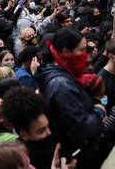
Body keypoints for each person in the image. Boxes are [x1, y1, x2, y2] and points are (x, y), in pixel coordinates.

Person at [35, 27, 105, 168]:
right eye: (81, 50)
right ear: (66, 52)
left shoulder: (60, 75)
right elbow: (80, 128)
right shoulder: (62, 85)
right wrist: (99, 112)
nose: (85, 55)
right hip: (75, 157)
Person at [2, 87, 56, 169]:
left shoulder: (51, 150)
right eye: (41, 131)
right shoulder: (18, 162)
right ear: (24, 135)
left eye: (48, 127)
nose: (49, 133)